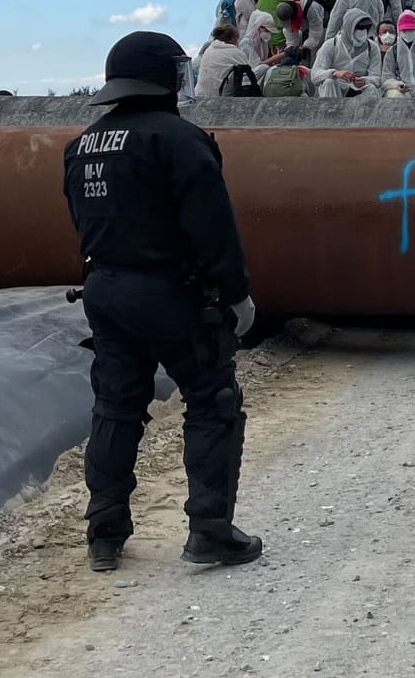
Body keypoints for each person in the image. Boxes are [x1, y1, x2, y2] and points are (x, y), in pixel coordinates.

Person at [62, 32, 262, 572]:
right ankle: (209, 530)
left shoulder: (81, 147)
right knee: (211, 399)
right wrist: (237, 294)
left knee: (115, 406)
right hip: (172, 292)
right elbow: (212, 227)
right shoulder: (180, 140)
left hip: (104, 289)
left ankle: (104, 533)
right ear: (166, 77)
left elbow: (82, 224)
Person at [311, 9, 376, 97]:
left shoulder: (372, 47)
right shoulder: (331, 45)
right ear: (349, 27)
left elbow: (377, 76)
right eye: (360, 28)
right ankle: (331, 110)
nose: (363, 31)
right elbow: (315, 75)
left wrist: (366, 80)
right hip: (336, 89)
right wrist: (334, 73)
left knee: (371, 88)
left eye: (366, 28)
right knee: (329, 82)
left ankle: (368, 111)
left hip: (359, 90)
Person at [194, 24, 257, 99]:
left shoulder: (208, 50)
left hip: (200, 93)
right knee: (262, 69)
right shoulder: (235, 52)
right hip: (223, 95)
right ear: (233, 39)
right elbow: (248, 73)